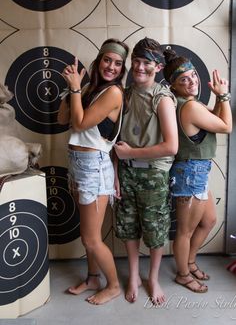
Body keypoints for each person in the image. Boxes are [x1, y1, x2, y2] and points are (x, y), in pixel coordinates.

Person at [57, 38, 129, 305]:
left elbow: (80, 121)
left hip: (94, 167)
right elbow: (63, 119)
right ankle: (93, 278)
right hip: (78, 163)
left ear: (123, 69)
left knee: (90, 238)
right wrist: (72, 89)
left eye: (118, 64)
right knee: (90, 236)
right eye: (107, 60)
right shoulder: (89, 88)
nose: (111, 67)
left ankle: (112, 286)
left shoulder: (113, 93)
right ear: (99, 60)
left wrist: (76, 89)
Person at [114, 37, 178, 304]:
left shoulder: (161, 98)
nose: (140, 67)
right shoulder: (124, 94)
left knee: (154, 230)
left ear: (158, 67)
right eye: (136, 61)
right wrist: (116, 173)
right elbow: (114, 141)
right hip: (126, 172)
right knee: (129, 228)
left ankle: (152, 277)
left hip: (153, 174)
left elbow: (171, 146)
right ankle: (133, 275)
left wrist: (131, 153)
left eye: (147, 63)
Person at [163, 48, 232, 293]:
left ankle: (190, 262)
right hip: (190, 172)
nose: (191, 81)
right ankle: (182, 274)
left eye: (192, 75)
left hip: (197, 171)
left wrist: (216, 99)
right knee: (185, 230)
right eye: (184, 79)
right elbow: (225, 126)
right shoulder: (188, 107)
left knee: (209, 220)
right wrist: (224, 97)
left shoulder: (192, 104)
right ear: (174, 86)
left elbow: (213, 120)